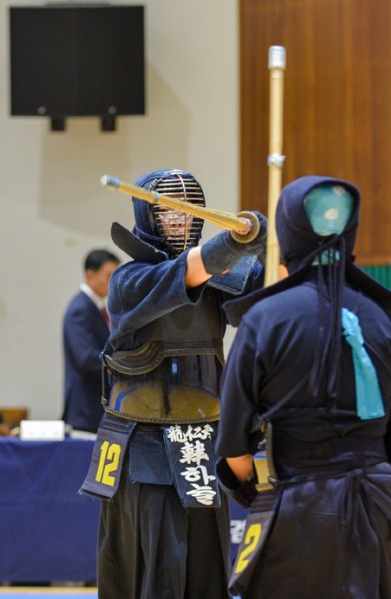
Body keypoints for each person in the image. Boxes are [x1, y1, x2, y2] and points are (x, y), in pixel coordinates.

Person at [214, 176, 391, 598]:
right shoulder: (383, 321)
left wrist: (259, 495)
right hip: (374, 503)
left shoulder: (265, 320)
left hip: (293, 504)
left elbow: (233, 450)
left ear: (287, 234)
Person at [79, 168, 265, 599]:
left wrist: (263, 238)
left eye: (188, 210)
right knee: (155, 568)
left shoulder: (217, 279)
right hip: (143, 446)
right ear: (147, 216)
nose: (180, 219)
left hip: (202, 442)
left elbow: (264, 282)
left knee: (206, 569)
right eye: (168, 211)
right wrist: (237, 240)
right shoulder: (129, 282)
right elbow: (192, 268)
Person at [62, 249, 121, 434]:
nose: (113, 282)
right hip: (86, 410)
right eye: (108, 276)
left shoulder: (99, 307)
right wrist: (123, 364)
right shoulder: (80, 309)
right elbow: (86, 358)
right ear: (90, 275)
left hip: (98, 408)